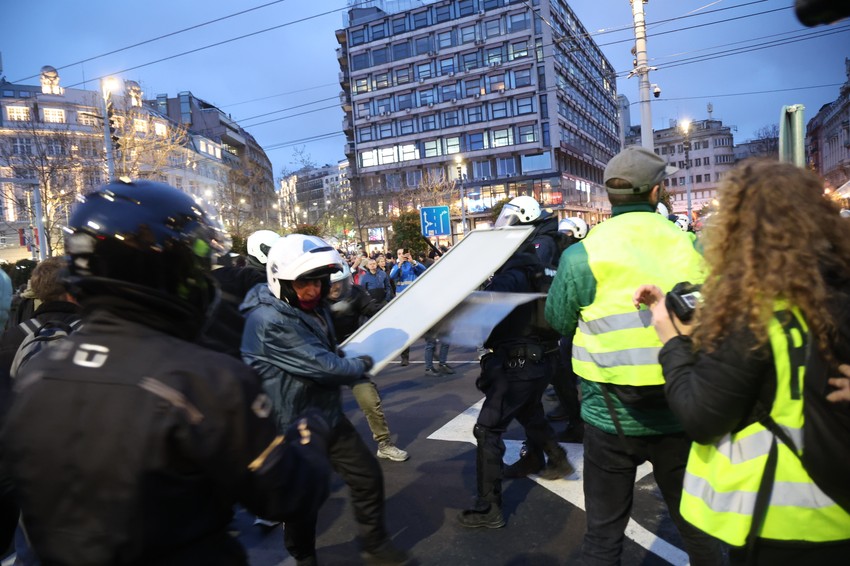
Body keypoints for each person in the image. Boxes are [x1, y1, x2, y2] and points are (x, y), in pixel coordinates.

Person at [0, 180, 332, 564]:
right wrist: (311, 434)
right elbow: (285, 494)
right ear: (175, 271)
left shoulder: (37, 373)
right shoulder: (205, 380)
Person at [635, 159, 850, 565]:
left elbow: (701, 416)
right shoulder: (837, 290)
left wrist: (672, 340)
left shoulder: (759, 316)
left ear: (739, 230)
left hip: (788, 526)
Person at [545, 146, 722, 566]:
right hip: (681, 411)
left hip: (608, 416)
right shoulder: (693, 247)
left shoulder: (579, 255)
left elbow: (558, 321)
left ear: (609, 194)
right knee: (698, 530)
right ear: (657, 191)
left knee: (604, 536)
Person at [240, 234, 410, 566]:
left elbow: (327, 353)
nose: (313, 290)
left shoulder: (311, 308)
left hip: (325, 414)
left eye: (317, 281)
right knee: (304, 501)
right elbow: (325, 366)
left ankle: (374, 544)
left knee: (366, 476)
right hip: (291, 423)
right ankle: (304, 557)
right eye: (303, 282)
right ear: (281, 281)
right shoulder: (270, 319)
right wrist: (360, 363)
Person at [458, 195, 574, 529]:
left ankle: (488, 509)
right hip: (543, 356)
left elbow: (499, 293)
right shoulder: (553, 253)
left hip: (520, 363)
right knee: (530, 412)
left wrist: (469, 291)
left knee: (487, 429)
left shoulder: (523, 261)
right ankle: (554, 458)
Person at [326, 262, 409, 462]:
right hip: (324, 354)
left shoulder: (354, 292)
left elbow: (373, 309)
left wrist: (397, 310)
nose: (336, 288)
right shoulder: (312, 299)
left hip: (352, 352)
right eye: (331, 284)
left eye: (340, 283)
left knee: (370, 401)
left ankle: (384, 444)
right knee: (321, 405)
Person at [545, 217, 588, 442]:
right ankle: (571, 412)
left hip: (576, 322)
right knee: (564, 370)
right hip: (568, 323)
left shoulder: (577, 257)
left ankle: (574, 416)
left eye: (567, 235)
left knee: (567, 368)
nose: (562, 239)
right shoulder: (560, 255)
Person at [389, 249, 426, 366]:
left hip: (414, 299)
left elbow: (424, 270)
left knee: (420, 325)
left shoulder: (413, 264)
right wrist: (399, 264)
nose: (402, 256)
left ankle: (431, 349)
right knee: (404, 328)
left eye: (403, 254)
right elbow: (392, 276)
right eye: (399, 254)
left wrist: (413, 261)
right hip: (402, 301)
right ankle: (405, 356)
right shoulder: (396, 266)